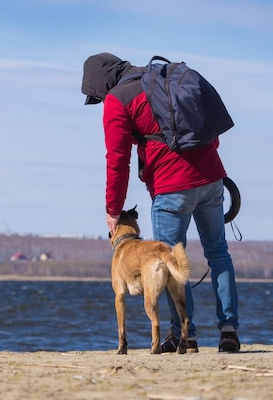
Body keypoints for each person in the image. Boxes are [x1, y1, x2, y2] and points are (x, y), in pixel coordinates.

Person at [82, 52, 241, 353]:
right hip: (211, 177)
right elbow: (205, 129)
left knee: (170, 261)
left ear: (101, 86)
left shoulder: (118, 100)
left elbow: (117, 161)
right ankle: (229, 331)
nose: (102, 102)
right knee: (219, 253)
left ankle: (185, 336)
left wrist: (113, 210)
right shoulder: (161, 78)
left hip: (171, 187)